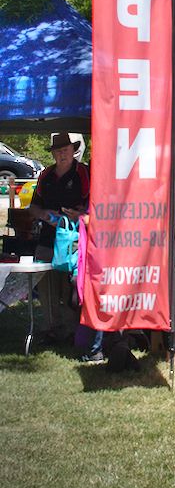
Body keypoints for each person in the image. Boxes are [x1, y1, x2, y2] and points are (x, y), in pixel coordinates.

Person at [28, 132, 90, 345]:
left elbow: (94, 206)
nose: (62, 154)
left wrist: (80, 215)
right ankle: (52, 329)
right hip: (47, 238)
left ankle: (73, 330)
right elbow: (33, 206)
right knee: (46, 287)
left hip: (73, 237)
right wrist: (43, 215)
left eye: (66, 150)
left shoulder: (84, 173)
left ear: (74, 151)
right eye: (58, 150)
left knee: (70, 285)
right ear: (53, 153)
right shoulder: (45, 175)